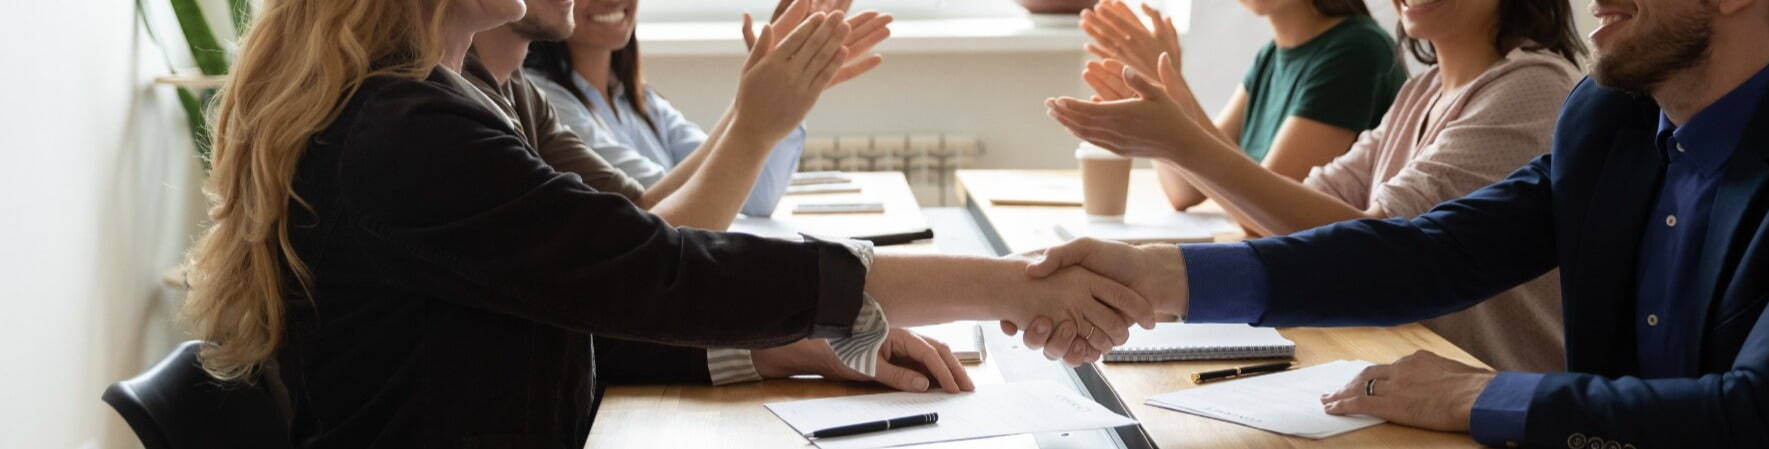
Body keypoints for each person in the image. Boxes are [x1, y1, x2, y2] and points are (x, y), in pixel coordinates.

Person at [181, 1, 1152, 447]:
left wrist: (780, 349)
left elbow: (567, 304)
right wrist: (1008, 283)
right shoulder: (407, 129)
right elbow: (657, 269)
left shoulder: (439, 102)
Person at [1025, 0, 1769, 446]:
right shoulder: (1612, 119)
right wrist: (1164, 280)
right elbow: (1426, 254)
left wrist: (1472, 395)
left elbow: (1764, 418)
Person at [1055, 0, 1586, 372]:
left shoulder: (1530, 87)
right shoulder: (1421, 94)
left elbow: (1385, 250)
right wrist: (1173, 131)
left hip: (1495, 393)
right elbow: (1294, 209)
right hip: (1411, 373)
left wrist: (1182, 142)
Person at [463, 0, 940, 390]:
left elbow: (652, 213)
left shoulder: (551, 96)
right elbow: (654, 254)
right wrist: (753, 119)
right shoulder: (503, 108)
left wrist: (765, 105)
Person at [520, 0, 891, 224]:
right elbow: (670, 207)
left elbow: (754, 195)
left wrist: (785, 91)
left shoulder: (641, 102)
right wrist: (759, 102)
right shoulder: (549, 102)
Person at [1079, 0, 1406, 213]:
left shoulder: (1357, 52)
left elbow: (1265, 213)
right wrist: (1154, 89)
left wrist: (1166, 86)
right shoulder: (1270, 58)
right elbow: (1185, 191)